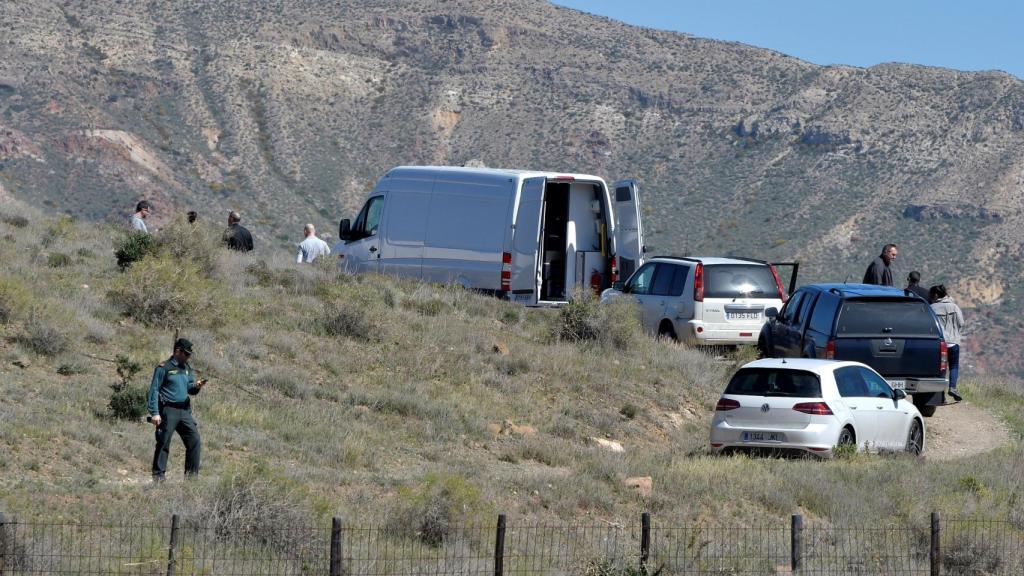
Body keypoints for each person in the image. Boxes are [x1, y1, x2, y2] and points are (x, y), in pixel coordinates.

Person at [148, 338, 208, 480]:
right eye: (186, 354)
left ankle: (191, 479)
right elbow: (154, 390)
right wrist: (155, 413)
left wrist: (197, 386)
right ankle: (158, 478)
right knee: (163, 442)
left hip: (184, 411)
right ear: (177, 351)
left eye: (189, 355)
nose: (188, 357)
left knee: (194, 441)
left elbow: (189, 388)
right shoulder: (164, 368)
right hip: (168, 410)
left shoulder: (186, 368)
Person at [930, 284, 964, 402]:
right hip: (954, 342)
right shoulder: (954, 307)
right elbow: (961, 323)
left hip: (940, 343)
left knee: (941, 368)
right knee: (953, 366)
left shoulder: (932, 307)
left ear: (935, 295)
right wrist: (956, 333)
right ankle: (953, 387)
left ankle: (941, 395)